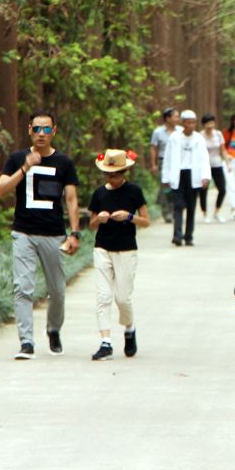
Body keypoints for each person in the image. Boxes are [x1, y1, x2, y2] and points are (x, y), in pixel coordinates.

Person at [0, 110, 80, 360]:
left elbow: (72, 199)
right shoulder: (17, 158)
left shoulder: (64, 163)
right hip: (23, 233)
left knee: (58, 290)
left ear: (53, 132)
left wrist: (74, 233)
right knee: (23, 287)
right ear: (29, 130)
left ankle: (53, 330)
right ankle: (27, 342)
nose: (41, 134)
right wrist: (25, 167)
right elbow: (0, 190)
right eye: (37, 129)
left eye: (46, 129)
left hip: (53, 234)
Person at [87, 149, 150, 361]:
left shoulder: (134, 191)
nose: (111, 178)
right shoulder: (99, 194)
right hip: (102, 248)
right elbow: (92, 224)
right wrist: (100, 219)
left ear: (124, 173)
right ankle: (105, 342)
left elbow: (146, 221)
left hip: (126, 249)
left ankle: (129, 327)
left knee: (122, 298)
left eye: (115, 174)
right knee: (103, 296)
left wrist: (129, 216)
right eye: (108, 174)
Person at [161, 109, 211, 246]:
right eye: (189, 123)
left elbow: (204, 159)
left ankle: (188, 236)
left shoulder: (199, 139)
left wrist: (205, 176)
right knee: (178, 205)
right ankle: (177, 235)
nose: (191, 125)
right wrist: (165, 177)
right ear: (182, 123)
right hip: (178, 174)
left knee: (191, 206)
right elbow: (168, 158)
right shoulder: (174, 137)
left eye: (194, 123)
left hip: (193, 174)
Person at [149, 107, 180, 224]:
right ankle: (166, 212)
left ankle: (174, 210)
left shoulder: (180, 131)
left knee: (176, 187)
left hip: (177, 162)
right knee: (165, 187)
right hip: (163, 162)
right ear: (167, 118)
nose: (178, 119)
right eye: (176, 116)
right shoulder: (158, 132)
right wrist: (154, 164)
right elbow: (153, 148)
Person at [199, 113, 229, 224]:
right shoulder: (200, 136)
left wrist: (227, 162)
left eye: (212, 122)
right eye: (208, 123)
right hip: (204, 165)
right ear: (204, 124)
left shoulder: (218, 134)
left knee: (222, 189)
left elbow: (223, 149)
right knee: (203, 190)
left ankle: (217, 212)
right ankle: (205, 213)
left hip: (217, 164)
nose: (210, 125)